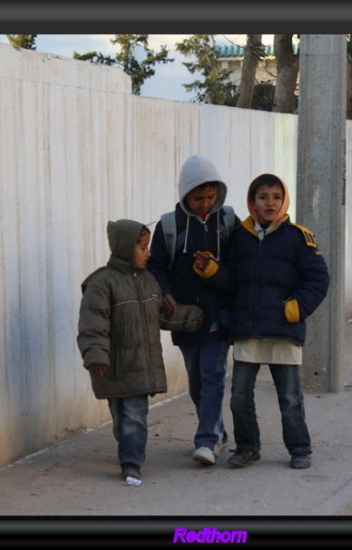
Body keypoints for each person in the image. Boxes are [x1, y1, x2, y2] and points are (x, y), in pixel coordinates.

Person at [193, 173, 330, 469]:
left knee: (289, 398)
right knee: (240, 395)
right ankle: (247, 447)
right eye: (263, 197)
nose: (270, 203)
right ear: (252, 202)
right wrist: (211, 270)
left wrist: (296, 308)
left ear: (284, 201)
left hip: (283, 330)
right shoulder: (240, 237)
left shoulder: (298, 237)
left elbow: (319, 279)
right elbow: (232, 280)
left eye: (276, 197)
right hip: (248, 330)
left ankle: (299, 449)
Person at [77, 219, 203, 483]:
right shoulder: (102, 284)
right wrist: (96, 356)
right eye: (143, 248)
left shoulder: (149, 282)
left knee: (135, 414)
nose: (149, 254)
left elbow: (161, 316)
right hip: (112, 366)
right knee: (121, 416)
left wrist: (193, 317)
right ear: (124, 249)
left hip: (140, 366)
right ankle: (128, 449)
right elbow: (93, 325)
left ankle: (132, 462)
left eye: (148, 247)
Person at [146, 155, 236, 466]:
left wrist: (215, 270)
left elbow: (238, 265)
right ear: (185, 193)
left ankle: (206, 441)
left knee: (213, 376)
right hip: (184, 319)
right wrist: (165, 292)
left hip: (218, 316)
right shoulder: (169, 226)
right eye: (198, 198)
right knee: (197, 383)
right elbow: (156, 266)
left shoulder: (227, 222)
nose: (204, 203)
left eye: (210, 197)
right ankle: (219, 432)